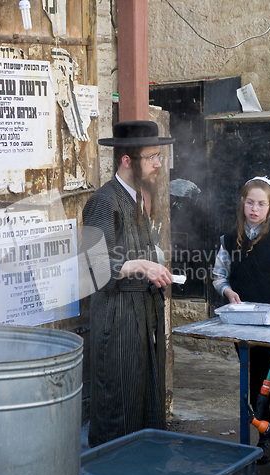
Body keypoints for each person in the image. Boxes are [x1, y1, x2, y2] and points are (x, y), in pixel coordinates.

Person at [82, 120, 175, 447]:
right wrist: (137, 265)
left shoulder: (136, 200)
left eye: (158, 156)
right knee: (118, 410)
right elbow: (91, 268)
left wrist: (155, 264)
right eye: (152, 156)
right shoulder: (104, 202)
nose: (158, 164)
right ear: (126, 160)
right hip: (117, 321)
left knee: (144, 407)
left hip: (141, 316)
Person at [212, 176, 270, 471]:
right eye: (250, 202)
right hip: (242, 324)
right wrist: (227, 292)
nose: (254, 208)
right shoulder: (228, 240)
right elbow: (219, 276)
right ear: (243, 203)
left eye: (261, 204)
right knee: (253, 383)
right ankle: (267, 438)